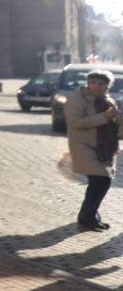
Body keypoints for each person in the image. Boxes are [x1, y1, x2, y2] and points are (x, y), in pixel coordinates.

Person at [64, 70, 120, 231]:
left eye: (101, 83)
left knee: (100, 182)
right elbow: (75, 123)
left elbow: (114, 124)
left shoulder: (108, 100)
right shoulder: (76, 99)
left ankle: (90, 215)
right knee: (101, 180)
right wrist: (105, 117)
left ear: (107, 87)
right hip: (84, 146)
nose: (96, 86)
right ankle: (87, 217)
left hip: (104, 147)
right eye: (93, 82)